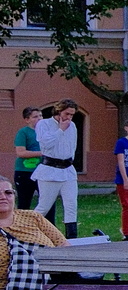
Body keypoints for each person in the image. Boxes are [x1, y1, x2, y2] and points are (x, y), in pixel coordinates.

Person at [32, 99, 83, 238]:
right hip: (50, 169)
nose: (69, 117)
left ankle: (71, 237)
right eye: (67, 113)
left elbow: (71, 146)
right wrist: (60, 130)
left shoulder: (72, 126)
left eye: (72, 115)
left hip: (67, 170)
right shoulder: (44, 124)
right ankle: (27, 229)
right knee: (44, 205)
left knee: (71, 204)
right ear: (59, 111)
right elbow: (46, 144)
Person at [12, 108, 40, 208]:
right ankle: (22, 223)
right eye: (35, 116)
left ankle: (48, 223)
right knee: (24, 203)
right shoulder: (23, 132)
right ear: (27, 119)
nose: (39, 119)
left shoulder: (46, 132)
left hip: (43, 171)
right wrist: (41, 153)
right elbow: (20, 152)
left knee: (48, 202)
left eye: (40, 116)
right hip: (25, 172)